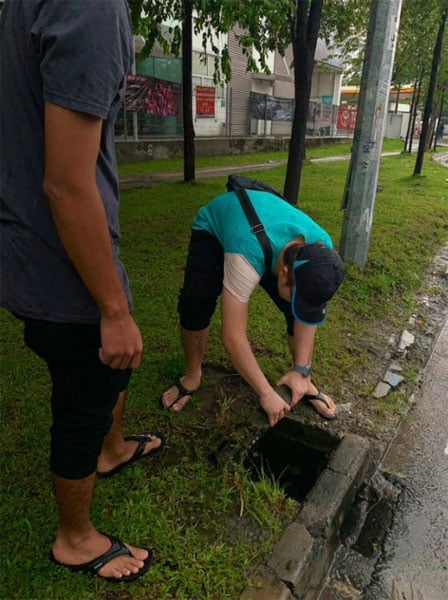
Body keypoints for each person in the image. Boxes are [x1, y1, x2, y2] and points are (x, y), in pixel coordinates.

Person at [0, 0, 163, 583]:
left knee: (113, 368)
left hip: (39, 247)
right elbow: (67, 184)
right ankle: (75, 539)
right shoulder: (91, 6)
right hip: (60, 260)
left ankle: (112, 449)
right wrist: (113, 308)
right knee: (84, 395)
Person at [161, 186, 345, 426]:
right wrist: (266, 393)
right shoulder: (245, 255)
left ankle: (303, 381)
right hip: (219, 227)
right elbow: (233, 336)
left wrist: (302, 371)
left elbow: (308, 316)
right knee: (195, 305)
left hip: (267, 229)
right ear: (285, 273)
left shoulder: (322, 251)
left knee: (295, 310)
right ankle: (192, 376)